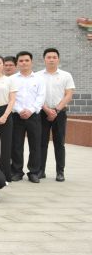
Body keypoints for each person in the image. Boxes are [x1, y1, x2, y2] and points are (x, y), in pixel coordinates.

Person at [38, 48, 75, 181]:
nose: (51, 60)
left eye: (54, 57)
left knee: (59, 143)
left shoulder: (66, 75)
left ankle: (60, 172)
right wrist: (47, 109)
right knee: (41, 143)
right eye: (49, 57)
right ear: (44, 59)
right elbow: (36, 95)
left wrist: (56, 110)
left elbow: (69, 94)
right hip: (42, 112)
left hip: (60, 113)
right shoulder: (38, 76)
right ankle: (40, 171)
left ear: (58, 59)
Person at [11, 51, 45, 183]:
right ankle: (17, 171)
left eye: (26, 60)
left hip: (34, 116)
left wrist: (30, 110)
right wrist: (20, 110)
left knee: (35, 145)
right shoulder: (12, 79)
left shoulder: (39, 79)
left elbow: (41, 97)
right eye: (21, 61)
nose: (24, 63)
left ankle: (34, 172)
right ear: (17, 63)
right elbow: (10, 97)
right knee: (16, 145)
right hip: (16, 115)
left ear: (31, 62)